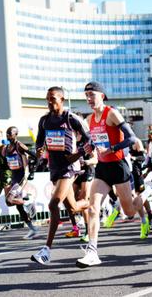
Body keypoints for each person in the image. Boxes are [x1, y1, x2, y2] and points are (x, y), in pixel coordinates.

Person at [76, 82, 152, 268]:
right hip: (103, 169)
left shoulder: (112, 113)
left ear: (102, 95)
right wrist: (89, 147)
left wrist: (111, 149)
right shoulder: (89, 119)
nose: (88, 98)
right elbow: (94, 144)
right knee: (93, 208)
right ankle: (92, 252)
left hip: (119, 167)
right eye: (86, 95)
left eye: (92, 94)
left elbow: (132, 138)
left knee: (129, 212)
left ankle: (145, 196)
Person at [31, 87, 94, 265]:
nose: (49, 102)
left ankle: (46, 251)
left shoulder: (71, 118)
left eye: (52, 99)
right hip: (54, 168)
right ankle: (93, 203)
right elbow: (38, 141)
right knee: (73, 208)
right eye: (47, 99)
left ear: (62, 100)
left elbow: (90, 139)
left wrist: (81, 151)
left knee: (53, 204)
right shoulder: (44, 120)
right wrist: (39, 149)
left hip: (70, 167)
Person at [3, 126, 39, 239]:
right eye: (7, 133)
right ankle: (32, 229)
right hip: (14, 178)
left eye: (10, 133)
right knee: (17, 207)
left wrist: (32, 171)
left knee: (9, 200)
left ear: (16, 134)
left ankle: (28, 201)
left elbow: (37, 157)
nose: (8, 135)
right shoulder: (6, 148)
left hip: (22, 177)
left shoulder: (19, 145)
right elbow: (7, 163)